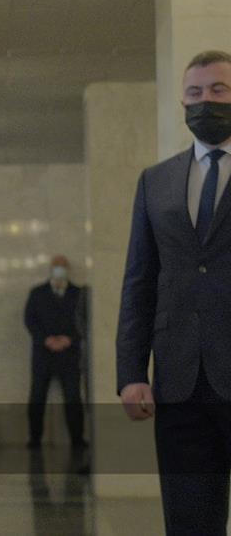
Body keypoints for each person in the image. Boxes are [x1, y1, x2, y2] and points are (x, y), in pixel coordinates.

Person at [118, 49, 231, 535]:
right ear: (183, 102)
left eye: (218, 90)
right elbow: (139, 280)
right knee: (189, 521)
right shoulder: (156, 181)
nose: (205, 101)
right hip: (180, 380)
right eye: (194, 92)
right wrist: (131, 373)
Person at [23, 255, 86, 450]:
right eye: (56, 266)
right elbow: (30, 320)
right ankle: (35, 439)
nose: (59, 270)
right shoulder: (37, 293)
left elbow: (85, 321)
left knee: (73, 398)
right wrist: (45, 339)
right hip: (43, 354)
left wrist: (70, 339)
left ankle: (77, 440)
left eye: (63, 266)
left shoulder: (79, 293)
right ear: (50, 269)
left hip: (70, 355)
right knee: (37, 396)